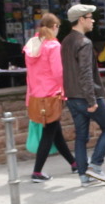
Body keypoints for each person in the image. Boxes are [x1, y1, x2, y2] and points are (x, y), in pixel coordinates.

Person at [62, 4, 105, 186]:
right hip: (87, 96)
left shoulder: (66, 41)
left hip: (72, 96)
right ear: (81, 19)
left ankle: (84, 177)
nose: (93, 21)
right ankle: (95, 166)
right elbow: (85, 73)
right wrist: (92, 101)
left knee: (81, 136)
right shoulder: (84, 42)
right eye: (90, 17)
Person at [24, 13, 75, 183]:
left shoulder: (31, 45)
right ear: (55, 27)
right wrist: (65, 91)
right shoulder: (53, 46)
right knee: (49, 132)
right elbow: (58, 72)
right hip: (52, 95)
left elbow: (29, 76)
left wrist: (29, 97)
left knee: (55, 132)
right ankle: (37, 172)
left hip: (37, 97)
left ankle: (74, 163)